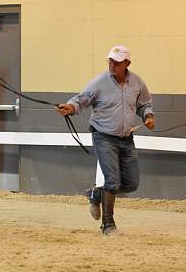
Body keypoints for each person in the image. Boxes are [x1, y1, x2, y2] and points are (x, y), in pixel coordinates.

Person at [57, 45, 155, 235]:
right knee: (112, 180)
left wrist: (148, 116)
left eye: (117, 62)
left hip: (126, 138)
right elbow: (81, 99)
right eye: (110, 60)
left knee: (131, 183)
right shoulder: (99, 82)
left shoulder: (137, 83)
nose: (112, 65)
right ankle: (108, 224)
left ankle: (96, 194)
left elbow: (144, 104)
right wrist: (70, 107)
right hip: (103, 137)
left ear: (127, 63)